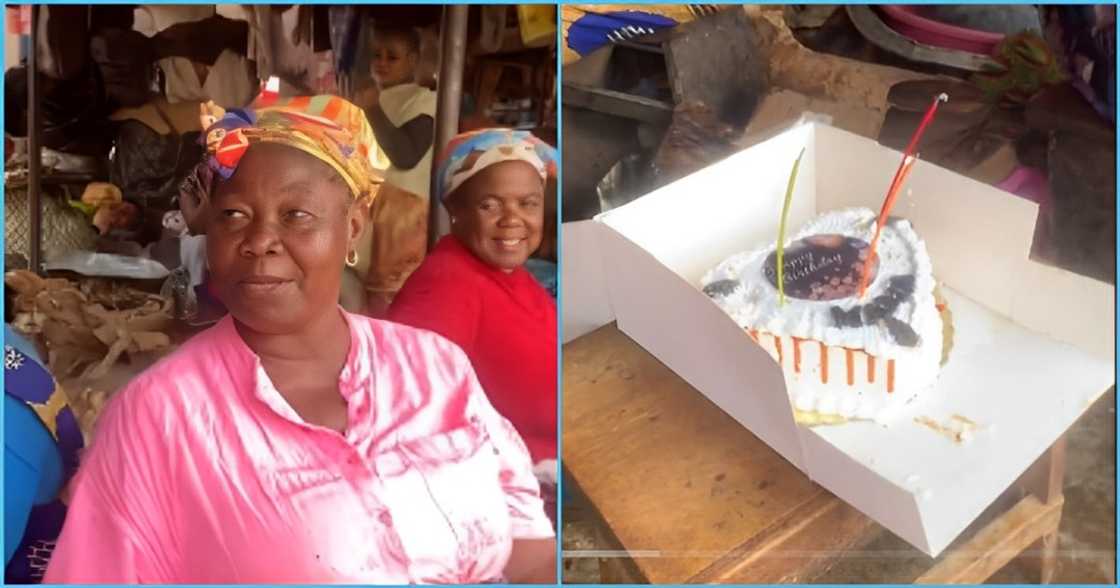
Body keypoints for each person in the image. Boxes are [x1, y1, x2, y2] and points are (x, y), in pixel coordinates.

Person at [43, 97, 555, 584]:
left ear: (352, 226)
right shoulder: (161, 416)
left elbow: (529, 544)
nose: (261, 239)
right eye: (234, 215)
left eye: (297, 215)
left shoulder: (435, 367)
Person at [388, 129, 559, 521]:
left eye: (527, 203)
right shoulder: (447, 286)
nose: (512, 219)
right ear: (456, 210)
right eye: (489, 205)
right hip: (508, 500)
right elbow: (414, 415)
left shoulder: (512, 273)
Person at [354, 27, 438, 316]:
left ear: (413, 60)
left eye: (393, 57)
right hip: (374, 208)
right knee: (365, 294)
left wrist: (372, 109)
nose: (382, 63)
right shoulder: (372, 99)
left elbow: (405, 155)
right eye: (377, 56)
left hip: (404, 214)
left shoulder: (424, 100)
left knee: (394, 299)